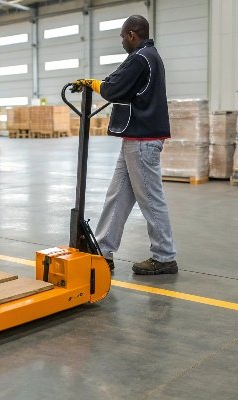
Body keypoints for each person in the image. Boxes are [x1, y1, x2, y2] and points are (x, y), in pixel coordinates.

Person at [71, 15, 177, 275]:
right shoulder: (144, 56)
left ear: (132, 34)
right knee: (117, 195)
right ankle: (103, 252)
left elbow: (113, 89)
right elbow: (117, 80)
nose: (121, 41)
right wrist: (97, 82)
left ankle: (164, 257)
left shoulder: (142, 58)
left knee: (151, 199)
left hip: (142, 141)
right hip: (134, 140)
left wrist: (92, 84)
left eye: (122, 36)